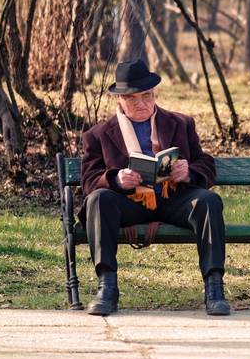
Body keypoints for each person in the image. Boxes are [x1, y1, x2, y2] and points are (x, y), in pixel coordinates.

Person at [80, 58, 230, 316]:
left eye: (147, 96)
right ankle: (107, 288)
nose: (141, 103)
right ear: (119, 101)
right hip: (129, 204)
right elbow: (89, 179)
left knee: (208, 202)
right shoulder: (99, 134)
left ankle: (214, 288)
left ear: (154, 94)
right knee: (98, 200)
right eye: (133, 98)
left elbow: (205, 162)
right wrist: (116, 179)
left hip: (173, 200)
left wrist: (189, 171)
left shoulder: (181, 123)